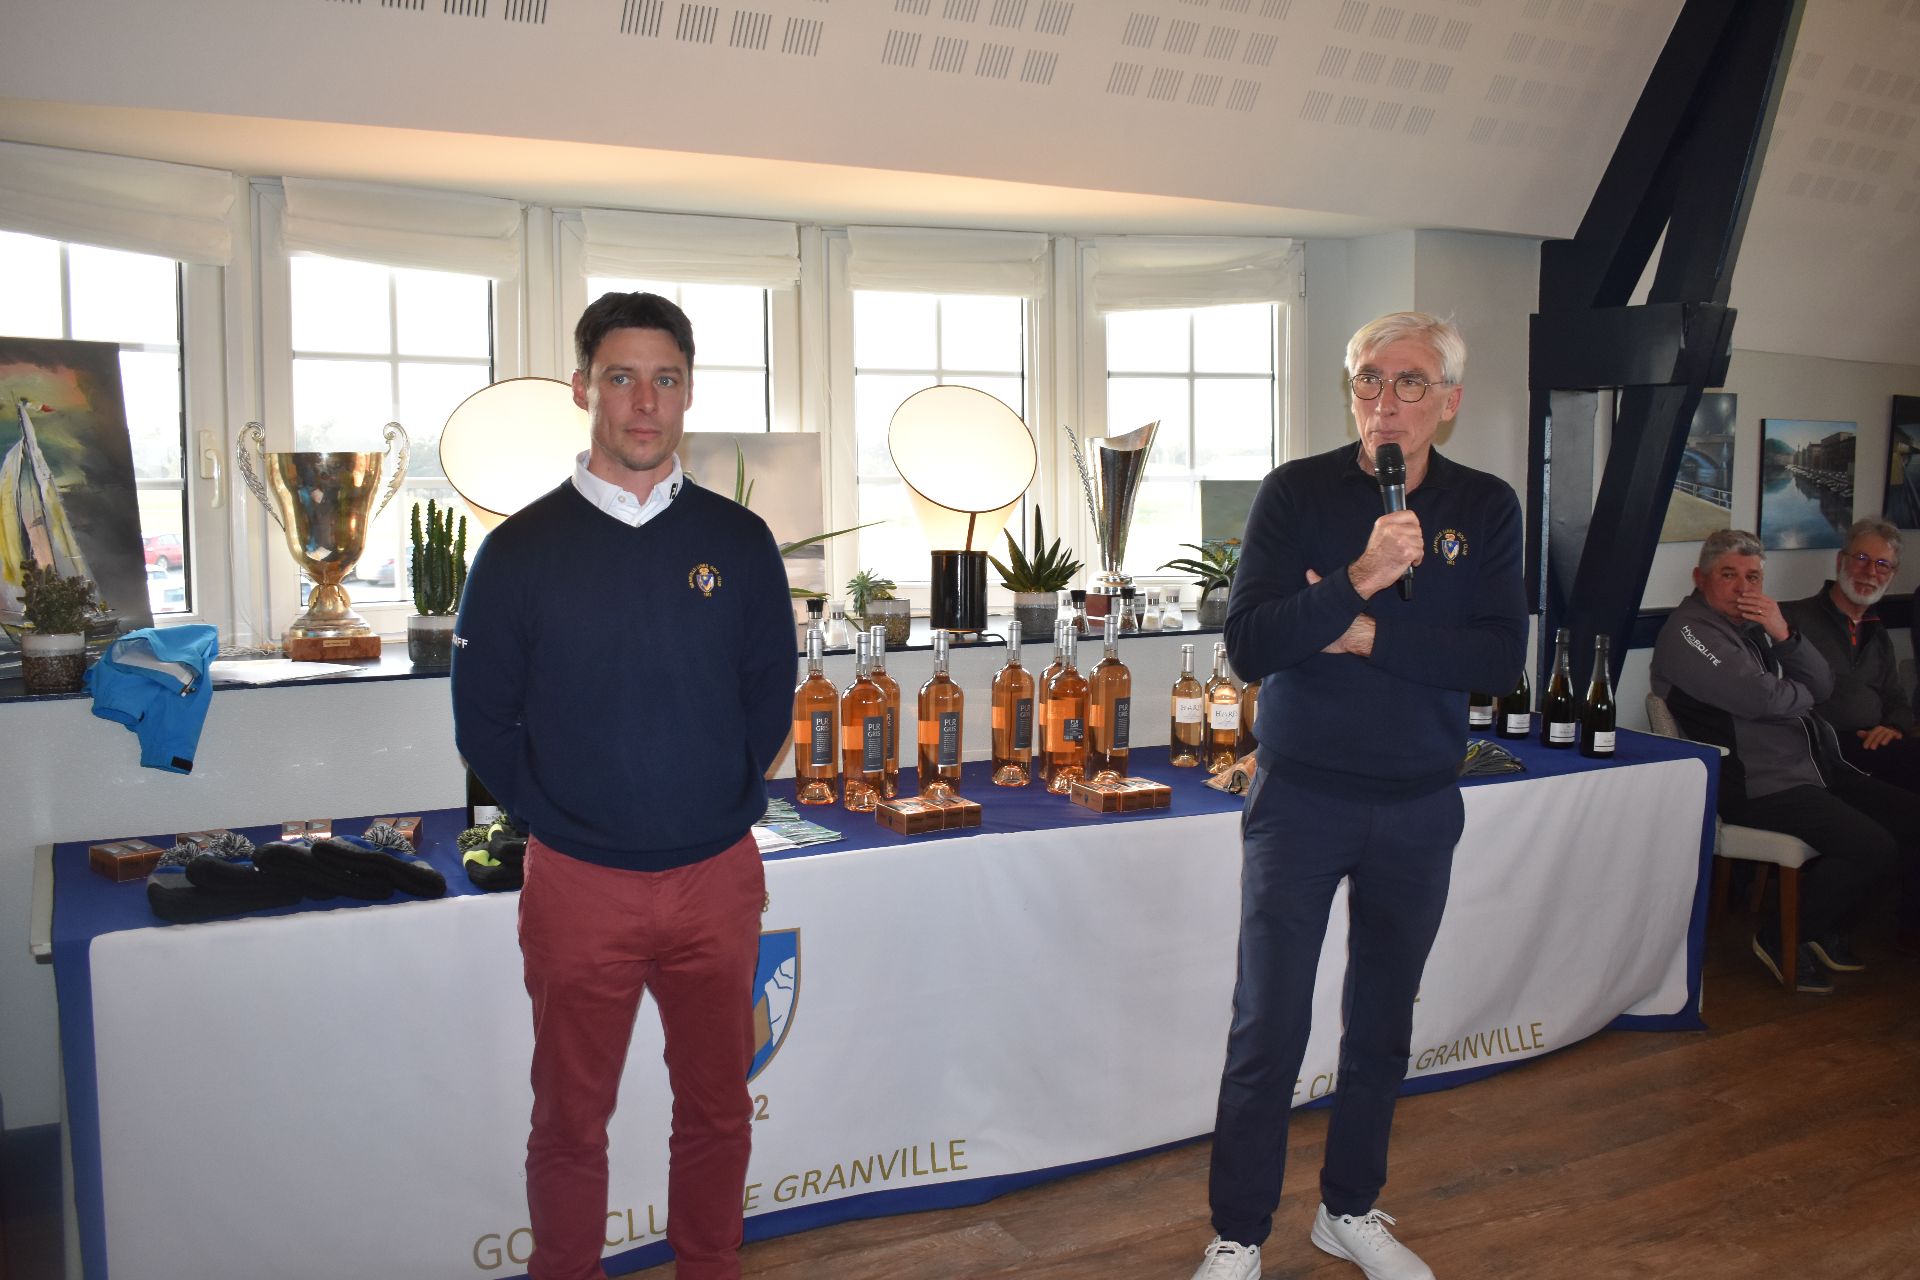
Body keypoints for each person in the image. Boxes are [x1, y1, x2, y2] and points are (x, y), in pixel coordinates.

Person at [451, 292, 795, 1280]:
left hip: (715, 877)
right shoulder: (519, 551)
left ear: (687, 392)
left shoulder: (739, 542)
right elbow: (484, 723)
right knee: (569, 1120)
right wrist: (566, 815)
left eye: (665, 378)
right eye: (622, 377)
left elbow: (768, 697)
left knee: (718, 1109)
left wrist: (706, 798)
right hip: (579, 884)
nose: (645, 402)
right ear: (583, 388)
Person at [1192, 312, 1527, 1280]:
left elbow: (1497, 661)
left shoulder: (1486, 506)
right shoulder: (1296, 491)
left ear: (1449, 402)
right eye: (1370, 379)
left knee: (1382, 1022)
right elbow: (1251, 645)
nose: (1387, 400)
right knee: (1269, 1024)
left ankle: (1347, 1208)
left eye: (1411, 382)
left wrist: (1358, 630)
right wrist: (1361, 577)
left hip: (1420, 802)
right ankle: (1239, 1232)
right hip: (1300, 799)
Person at [1650, 529, 1915, 993]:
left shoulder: (1752, 624)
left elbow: (1823, 683)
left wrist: (1784, 633)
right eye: (1728, 575)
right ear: (1700, 577)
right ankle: (1780, 936)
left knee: (1910, 819)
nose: (1743, 588)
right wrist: (1799, 692)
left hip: (1810, 767)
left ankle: (1825, 925)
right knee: (1872, 846)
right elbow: (1761, 699)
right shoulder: (1689, 631)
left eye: (1753, 577)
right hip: (1754, 785)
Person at [1780, 519, 1920, 791]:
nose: (1870, 571)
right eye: (1862, 558)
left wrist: (1893, 727)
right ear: (1840, 561)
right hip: (1823, 750)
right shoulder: (1793, 619)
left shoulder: (1877, 632)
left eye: (1882, 564)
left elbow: (1897, 700)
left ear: (1892, 575)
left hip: (1878, 745)